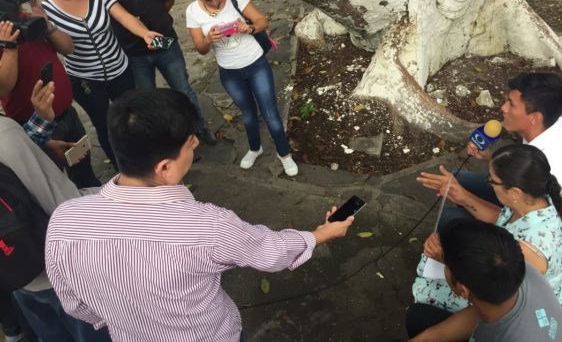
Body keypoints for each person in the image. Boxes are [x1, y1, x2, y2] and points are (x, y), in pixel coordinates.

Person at [45, 88, 353, 341]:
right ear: (164, 167)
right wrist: (322, 233)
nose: (193, 152)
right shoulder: (208, 226)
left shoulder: (64, 220)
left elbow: (76, 305)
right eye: (190, 146)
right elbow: (270, 251)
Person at [87, 0, 216, 147]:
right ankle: (166, 141)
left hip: (164, 42)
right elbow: (100, 15)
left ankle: (199, 126)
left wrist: (156, 20)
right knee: (148, 101)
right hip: (132, 51)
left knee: (183, 88)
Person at [1, 81, 110, 342]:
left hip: (14, 275)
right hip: (56, 276)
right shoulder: (5, 134)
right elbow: (67, 208)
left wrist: (38, 138)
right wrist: (123, 191)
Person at [38, 0, 162, 166]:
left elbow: (124, 17)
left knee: (133, 117)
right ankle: (122, 167)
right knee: (105, 125)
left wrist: (144, 33)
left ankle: (146, 160)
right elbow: (61, 48)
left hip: (119, 70)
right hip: (85, 79)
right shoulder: (46, 12)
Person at [414, 144, 562, 313]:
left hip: (515, 301)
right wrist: (462, 196)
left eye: (492, 181)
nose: (489, 183)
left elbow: (489, 285)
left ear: (515, 192)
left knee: (423, 289)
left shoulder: (530, 250)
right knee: (449, 224)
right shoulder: (535, 198)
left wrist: (446, 258)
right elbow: (501, 219)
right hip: (499, 276)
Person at [444, 72, 562, 234]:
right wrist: (490, 157)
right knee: (457, 181)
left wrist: (464, 198)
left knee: (448, 221)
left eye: (511, 104)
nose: (503, 108)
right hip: (526, 203)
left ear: (534, 117)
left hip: (541, 230)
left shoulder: (548, 166)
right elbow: (520, 171)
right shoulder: (558, 125)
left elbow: (515, 222)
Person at [186, 0, 298, 176]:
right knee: (248, 114)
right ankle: (255, 148)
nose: (215, 3)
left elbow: (262, 21)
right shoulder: (192, 11)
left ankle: (284, 154)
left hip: (256, 64)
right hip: (230, 72)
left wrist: (249, 28)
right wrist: (209, 39)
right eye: (208, 0)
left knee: (271, 113)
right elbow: (200, 49)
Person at [0, 0, 99, 189]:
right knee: (55, 182)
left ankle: (93, 199)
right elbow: (3, 89)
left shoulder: (29, 21)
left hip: (67, 114)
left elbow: (68, 48)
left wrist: (47, 24)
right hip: (36, 125)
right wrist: (9, 46)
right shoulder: (4, 37)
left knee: (83, 169)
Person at [406, 219, 562, 342]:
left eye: (446, 265)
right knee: (420, 321)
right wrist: (425, 338)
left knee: (417, 318)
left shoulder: (500, 336)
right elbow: (478, 313)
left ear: (463, 291)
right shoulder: (515, 267)